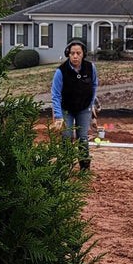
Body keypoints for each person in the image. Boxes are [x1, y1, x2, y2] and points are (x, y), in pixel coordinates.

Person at [51, 38, 97, 171]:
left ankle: (84, 167)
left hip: (84, 108)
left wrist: (92, 103)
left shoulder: (90, 68)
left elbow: (94, 85)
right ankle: (64, 166)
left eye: (78, 53)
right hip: (67, 109)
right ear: (68, 54)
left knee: (83, 137)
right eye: (72, 53)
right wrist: (59, 116)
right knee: (67, 136)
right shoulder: (61, 72)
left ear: (83, 54)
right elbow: (55, 94)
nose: (75, 56)